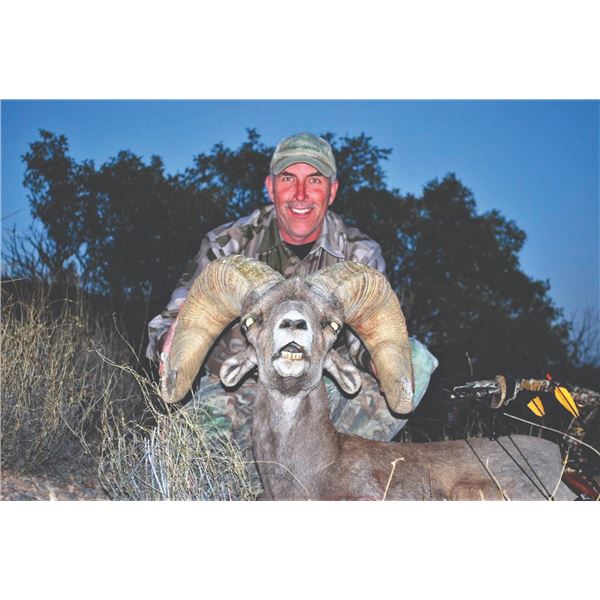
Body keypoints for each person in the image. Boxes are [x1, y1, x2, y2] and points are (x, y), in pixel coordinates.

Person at [146, 132, 438, 485]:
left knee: (415, 360)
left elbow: (366, 338)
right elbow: (169, 325)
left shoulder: (357, 253)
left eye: (314, 180)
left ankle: (330, 479)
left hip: (318, 388)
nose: (301, 194)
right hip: (240, 388)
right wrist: (173, 340)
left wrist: (379, 359)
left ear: (332, 190)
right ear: (270, 187)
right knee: (181, 464)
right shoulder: (227, 245)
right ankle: (253, 482)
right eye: (288, 178)